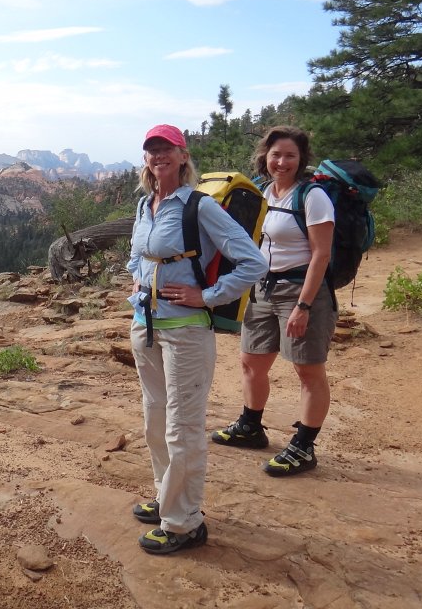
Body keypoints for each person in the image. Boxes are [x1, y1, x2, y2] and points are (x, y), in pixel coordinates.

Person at [127, 124, 266, 555]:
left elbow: (253, 262)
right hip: (146, 326)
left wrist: (206, 297)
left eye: (166, 149)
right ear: (146, 159)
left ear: (183, 156)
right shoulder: (144, 204)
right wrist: (135, 283)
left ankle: (185, 523)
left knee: (181, 428)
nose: (158, 156)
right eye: (152, 150)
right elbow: (137, 255)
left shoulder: (199, 206)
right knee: (154, 423)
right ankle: (167, 497)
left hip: (186, 332)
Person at [211, 126, 336, 477]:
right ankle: (251, 427)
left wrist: (305, 306)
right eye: (276, 154)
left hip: (299, 291)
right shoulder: (263, 191)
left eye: (290, 156)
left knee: (307, 370)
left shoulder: (312, 197)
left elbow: (321, 255)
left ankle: (304, 446)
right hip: (262, 288)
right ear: (265, 156)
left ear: (301, 159)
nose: (281, 162)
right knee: (251, 362)